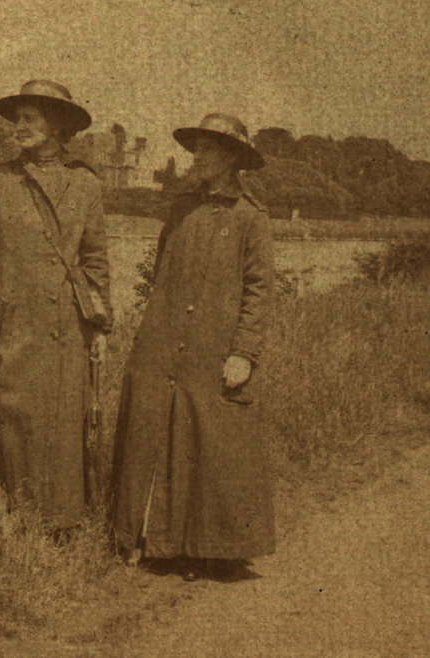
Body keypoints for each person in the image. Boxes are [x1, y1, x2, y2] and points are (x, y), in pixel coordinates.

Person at [110, 113, 275, 581]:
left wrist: (244, 352)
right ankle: (137, 540)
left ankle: (203, 547)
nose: (196, 158)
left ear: (232, 158)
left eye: (207, 150)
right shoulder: (180, 206)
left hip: (214, 344)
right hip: (161, 340)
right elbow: (162, 267)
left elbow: (259, 289)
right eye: (196, 148)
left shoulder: (251, 217)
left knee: (204, 438)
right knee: (149, 430)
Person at [0, 80, 113, 534]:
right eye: (17, 119)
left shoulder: (85, 184)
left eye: (30, 119)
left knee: (63, 417)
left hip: (66, 321)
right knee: (3, 412)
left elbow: (96, 258)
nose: (19, 128)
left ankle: (59, 520)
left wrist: (101, 326)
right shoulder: (2, 180)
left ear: (57, 125)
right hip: (9, 319)